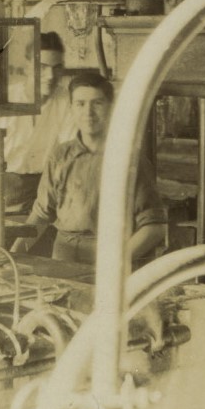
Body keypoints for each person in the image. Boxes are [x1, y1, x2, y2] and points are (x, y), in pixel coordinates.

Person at [19, 72, 166, 265]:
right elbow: (42, 214)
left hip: (111, 254)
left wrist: (113, 265)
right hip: (64, 254)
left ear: (111, 107)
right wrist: (13, 256)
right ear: (71, 108)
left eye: (97, 103)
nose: (88, 113)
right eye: (80, 104)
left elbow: (154, 228)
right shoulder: (60, 155)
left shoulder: (129, 160)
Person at [0, 32, 76, 214]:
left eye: (57, 68)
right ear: (26, 67)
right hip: (0, 192)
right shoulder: (1, 101)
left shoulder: (68, 101)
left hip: (46, 191)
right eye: (42, 67)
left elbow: (68, 154)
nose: (50, 76)